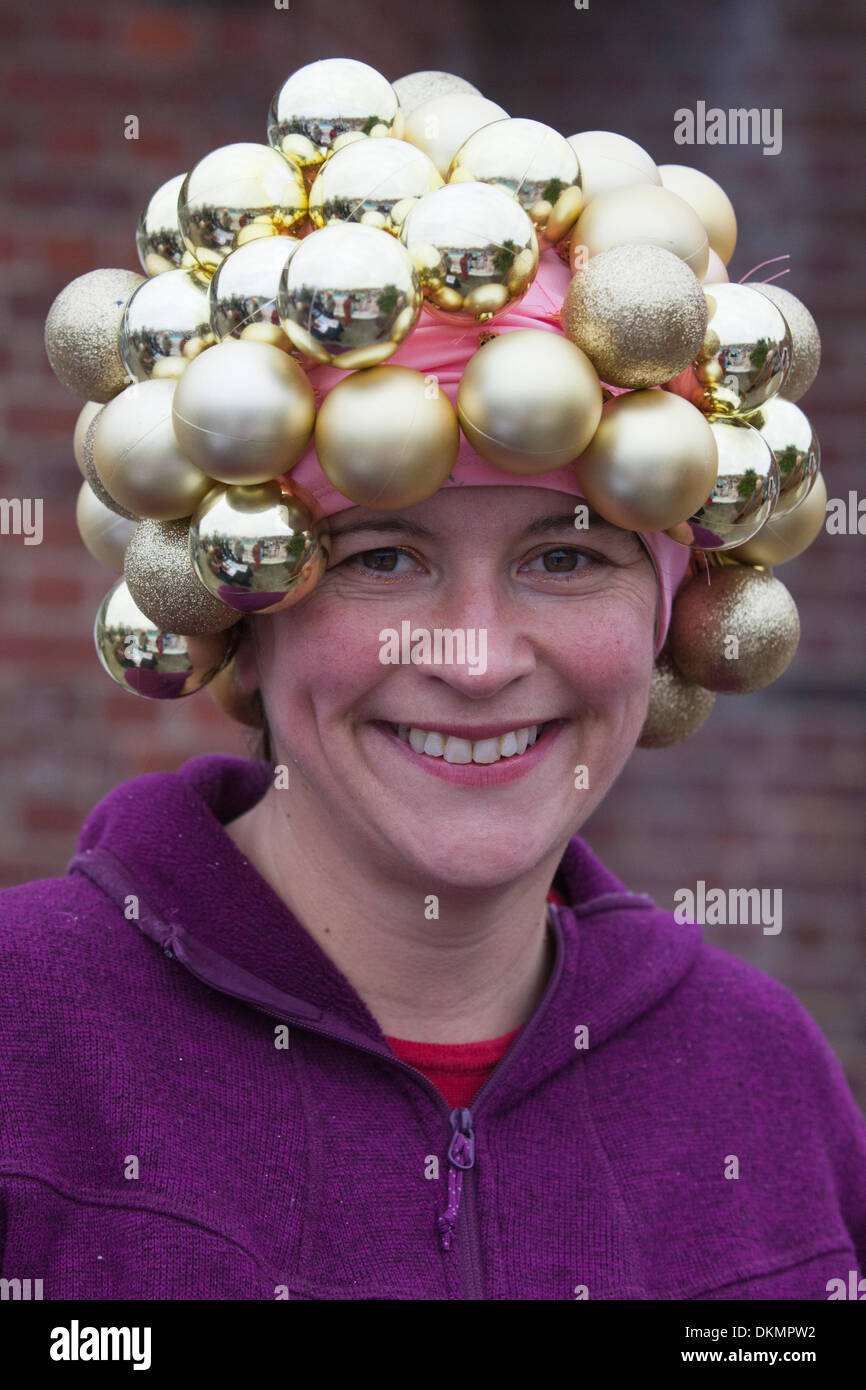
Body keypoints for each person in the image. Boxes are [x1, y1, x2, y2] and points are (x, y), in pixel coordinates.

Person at [2, 58, 863, 1302]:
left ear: (673, 610)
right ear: (246, 605)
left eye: (566, 557)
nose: (473, 656)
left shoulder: (756, 1073)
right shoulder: (27, 1040)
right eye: (382, 558)